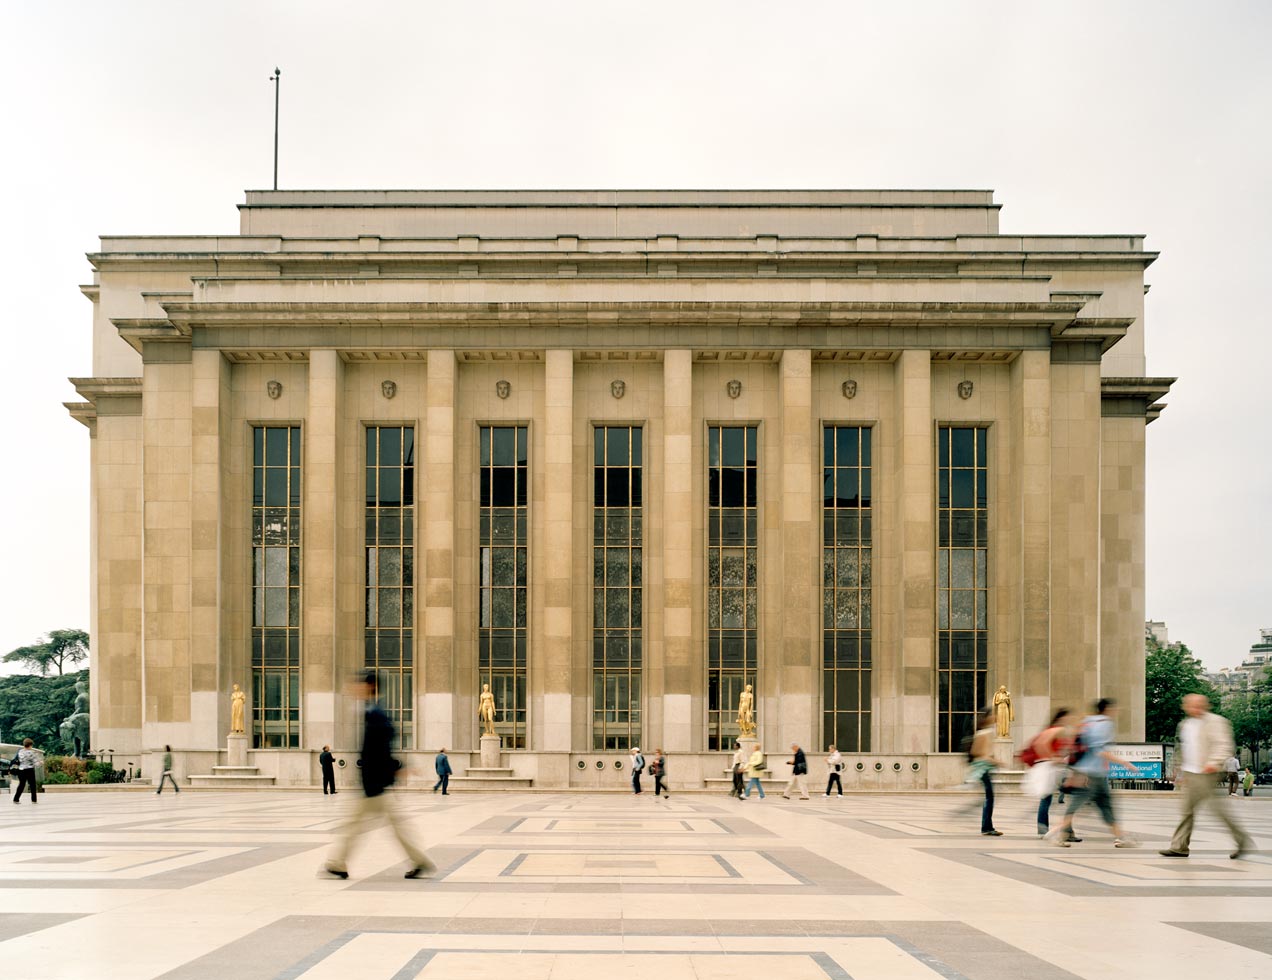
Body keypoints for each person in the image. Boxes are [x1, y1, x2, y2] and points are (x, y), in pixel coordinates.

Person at [324, 671, 435, 880]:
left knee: (356, 824)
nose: (354, 688)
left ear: (370, 686)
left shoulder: (375, 714)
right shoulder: (371, 712)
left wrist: (394, 768)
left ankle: (337, 862)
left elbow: (383, 744)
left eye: (359, 685)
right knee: (392, 826)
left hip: (374, 784)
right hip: (376, 783)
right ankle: (419, 860)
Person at [1160, 694, 1252, 860]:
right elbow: (1181, 748)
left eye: (1197, 705)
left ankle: (1242, 840)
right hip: (1190, 773)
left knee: (1217, 810)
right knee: (1186, 811)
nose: (1193, 708)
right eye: (1190, 705)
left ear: (1205, 705)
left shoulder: (1216, 722)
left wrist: (1214, 762)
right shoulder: (1185, 724)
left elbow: (1224, 745)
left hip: (1207, 773)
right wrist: (1178, 769)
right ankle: (1179, 847)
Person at [1049, 697, 1141, 848]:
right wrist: (1124, 762)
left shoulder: (1087, 722)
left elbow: (1075, 744)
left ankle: (1120, 837)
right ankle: (1056, 834)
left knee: (1106, 806)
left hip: (1091, 773)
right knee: (1079, 806)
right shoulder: (1105, 724)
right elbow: (1099, 750)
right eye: (1114, 709)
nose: (1117, 712)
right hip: (1090, 774)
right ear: (1107, 709)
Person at [1030, 709, 1073, 837]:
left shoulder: (1056, 729)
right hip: (1051, 767)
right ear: (1062, 718)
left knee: (1047, 799)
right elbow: (1040, 743)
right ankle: (1063, 831)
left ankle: (1046, 829)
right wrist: (1052, 757)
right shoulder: (1057, 729)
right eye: (1068, 717)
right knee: (1050, 798)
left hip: (1054, 767)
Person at [968, 710, 1001, 836]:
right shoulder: (983, 733)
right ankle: (986, 827)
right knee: (989, 797)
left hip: (985, 767)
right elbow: (976, 752)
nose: (996, 717)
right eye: (993, 715)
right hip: (982, 768)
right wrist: (994, 760)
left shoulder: (986, 732)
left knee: (989, 797)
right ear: (988, 718)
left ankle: (987, 826)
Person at [12, 738, 38, 804]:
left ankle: (16, 799)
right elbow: (36, 763)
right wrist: (41, 762)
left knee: (21, 784)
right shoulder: (32, 752)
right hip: (29, 770)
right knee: (32, 785)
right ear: (30, 745)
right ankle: (34, 800)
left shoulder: (20, 751)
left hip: (21, 770)